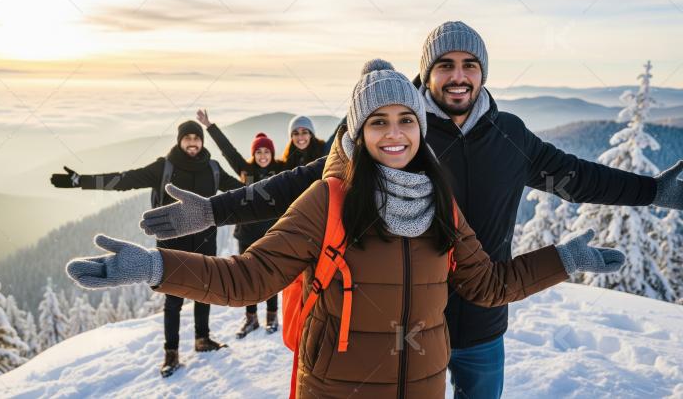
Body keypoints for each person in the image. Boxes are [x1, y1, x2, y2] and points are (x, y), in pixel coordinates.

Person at [139, 22, 683, 398]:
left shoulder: (510, 136)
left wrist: (652, 194)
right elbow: (301, 185)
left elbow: (580, 177)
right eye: (444, 65)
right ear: (427, 74)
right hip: (388, 325)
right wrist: (214, 210)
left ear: (483, 72)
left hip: (482, 315)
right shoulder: (390, 135)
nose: (458, 75)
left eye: (470, 64)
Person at [50, 120, 243, 378]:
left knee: (204, 292)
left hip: (205, 242)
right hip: (171, 246)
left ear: (202, 141)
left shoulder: (213, 168)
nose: (193, 142)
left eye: (196, 138)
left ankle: (202, 339)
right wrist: (80, 181)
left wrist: (271, 192)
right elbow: (124, 180)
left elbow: (241, 192)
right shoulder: (164, 167)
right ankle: (171, 354)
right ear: (179, 141)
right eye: (187, 138)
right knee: (173, 301)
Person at [195, 108, 287, 337]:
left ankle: (272, 317)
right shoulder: (245, 171)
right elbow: (228, 151)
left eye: (267, 151)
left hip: (272, 233)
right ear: (254, 154)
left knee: (271, 276)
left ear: (272, 153)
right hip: (246, 234)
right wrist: (210, 126)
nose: (263, 155)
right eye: (259, 152)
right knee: (248, 277)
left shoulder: (282, 172)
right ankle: (251, 318)